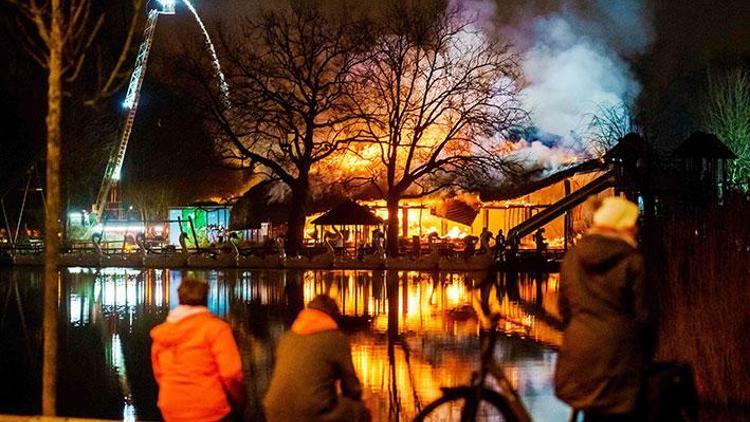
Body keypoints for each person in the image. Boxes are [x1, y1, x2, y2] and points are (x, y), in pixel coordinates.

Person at [555, 197, 653, 421]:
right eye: (633, 224)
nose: (636, 229)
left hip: (579, 352)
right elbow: (645, 317)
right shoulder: (633, 260)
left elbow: (564, 310)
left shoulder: (571, 258)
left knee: (592, 413)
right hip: (619, 357)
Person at [150, 278, 246, 421]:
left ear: (180, 298)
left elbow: (159, 373)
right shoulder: (216, 329)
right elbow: (231, 373)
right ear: (206, 298)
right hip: (208, 408)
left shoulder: (163, 333)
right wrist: (240, 400)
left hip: (171, 407)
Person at [264, 295, 370, 422]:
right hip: (310, 412)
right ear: (332, 316)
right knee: (360, 411)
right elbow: (351, 387)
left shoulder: (287, 337)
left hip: (273, 411)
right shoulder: (336, 339)